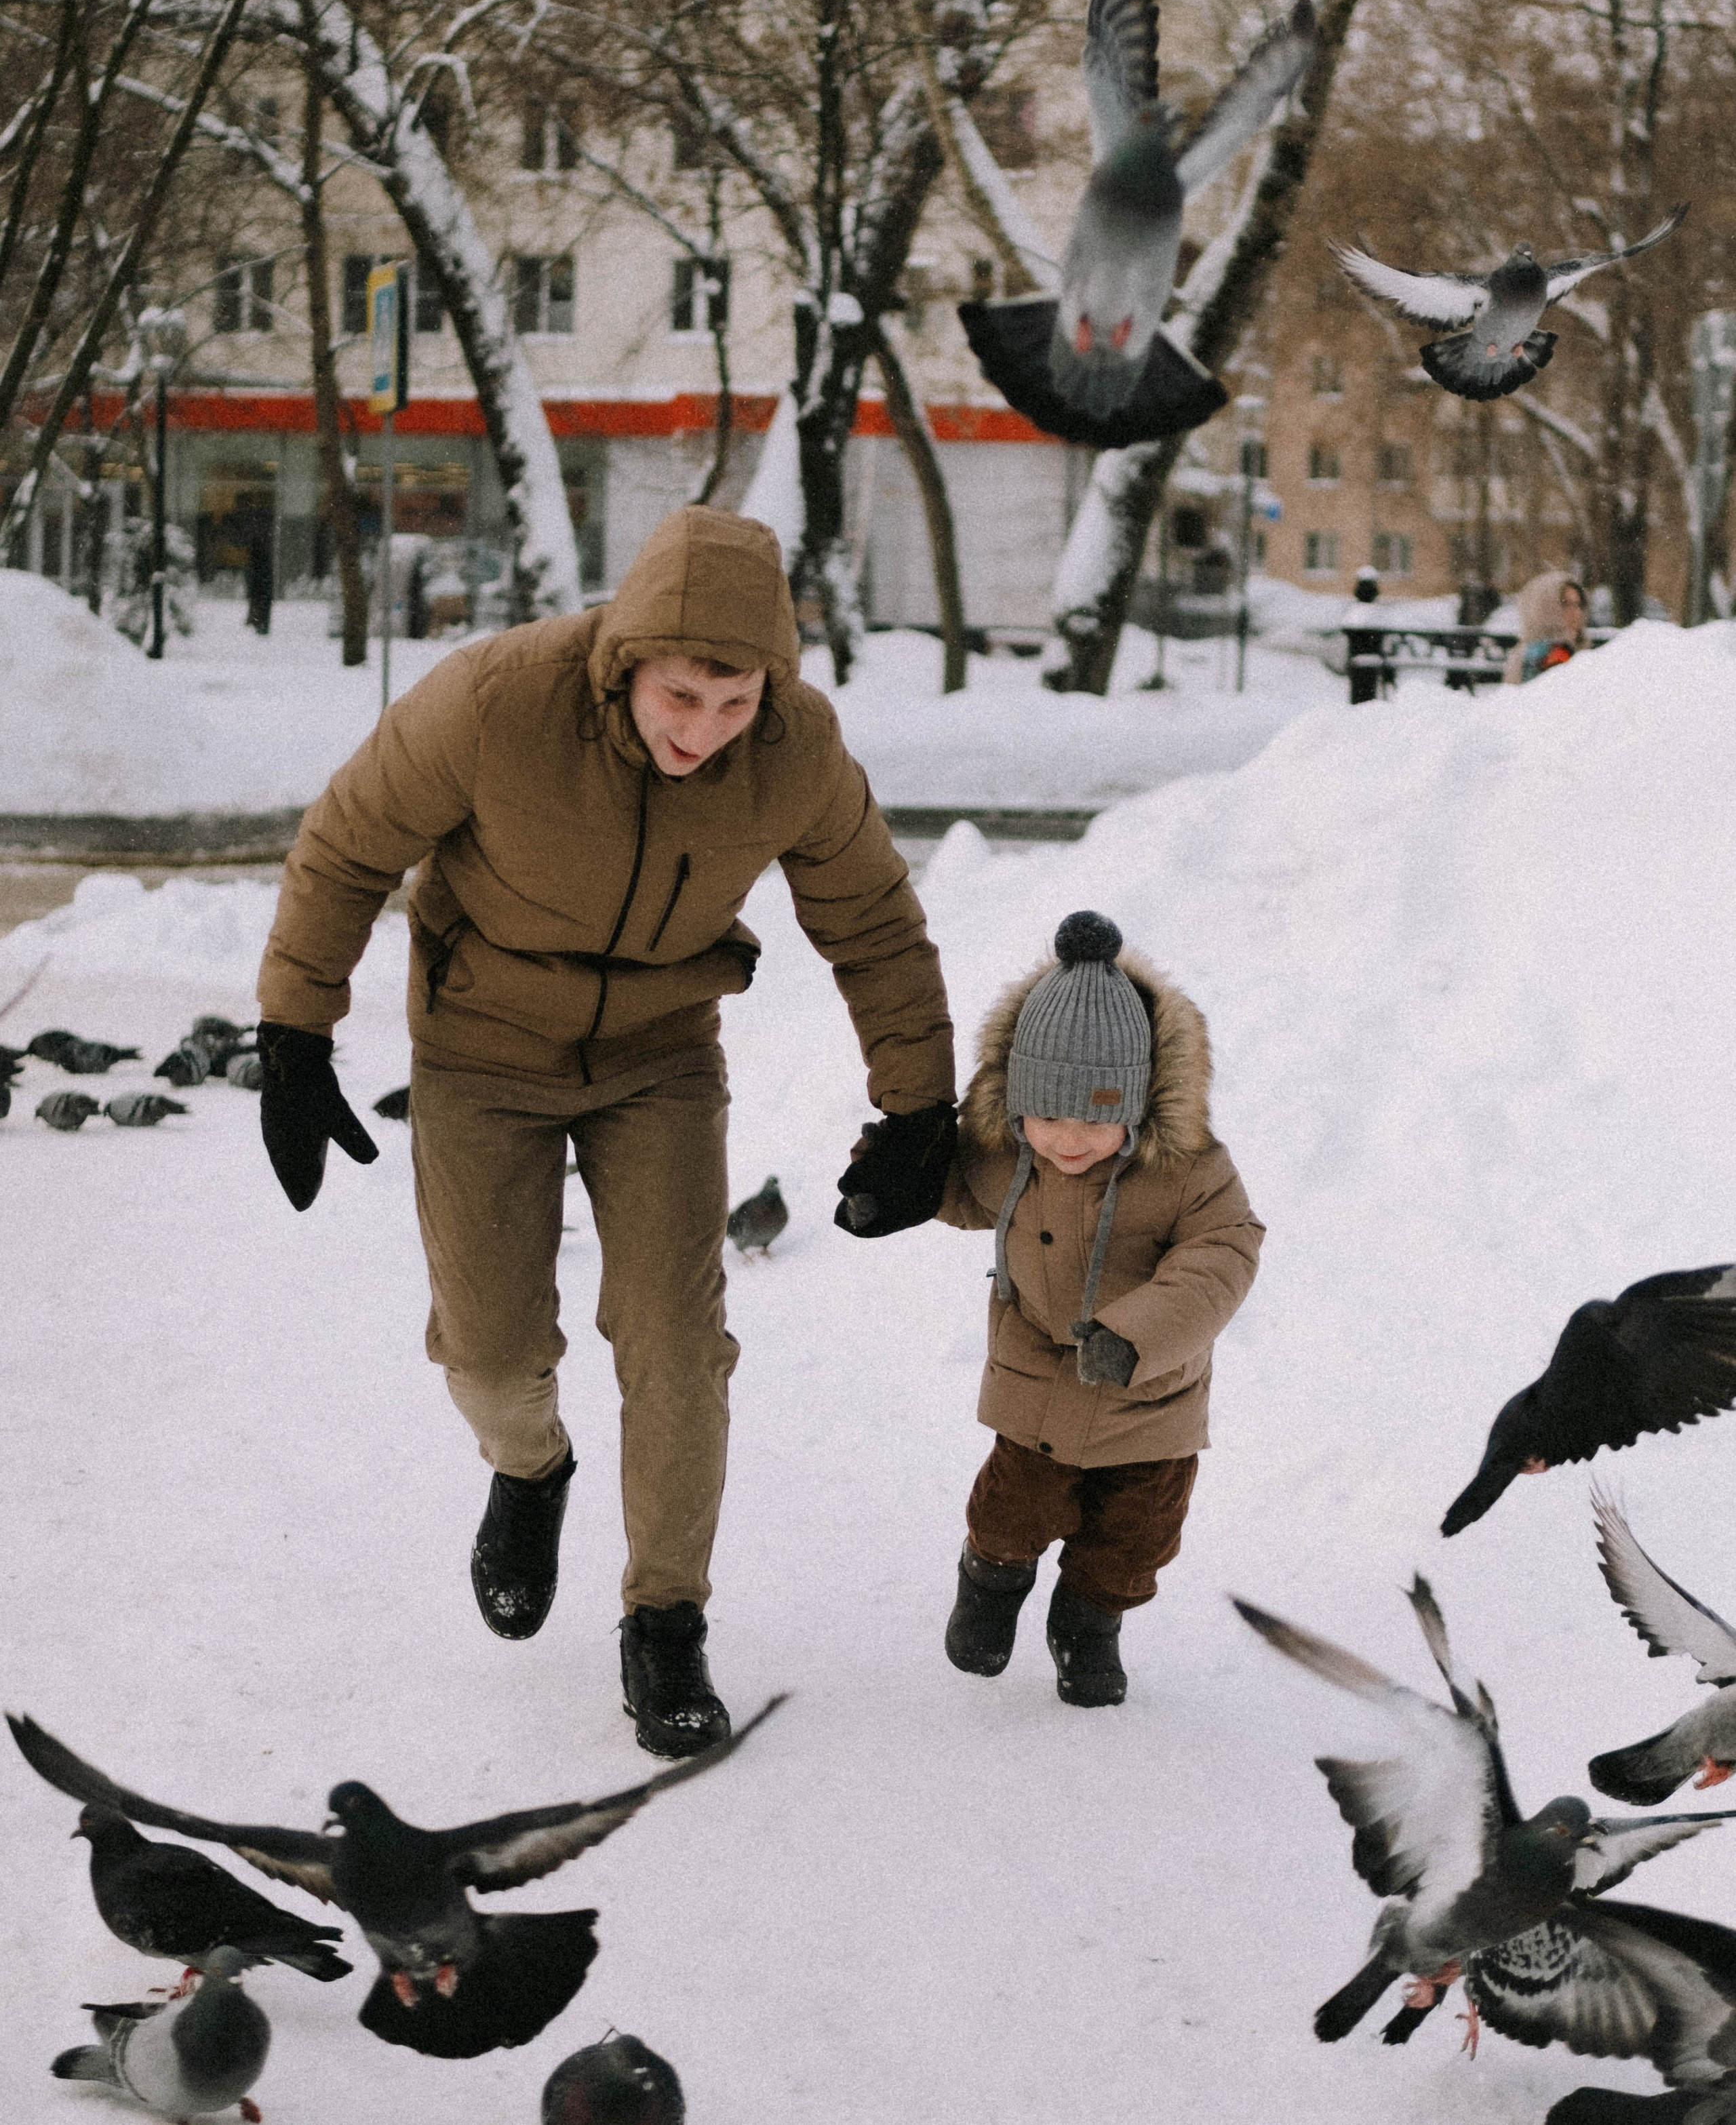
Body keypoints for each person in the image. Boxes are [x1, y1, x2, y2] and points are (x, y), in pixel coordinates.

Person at [252, 507, 957, 1755]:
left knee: (678, 1345)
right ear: (626, 659)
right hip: (482, 1045)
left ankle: (665, 1620)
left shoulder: (794, 748)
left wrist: (918, 1107)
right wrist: (295, 1036)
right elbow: (347, 846)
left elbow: (873, 922)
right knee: (489, 1350)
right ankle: (530, 1470)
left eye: (734, 702)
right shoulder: (496, 701)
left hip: (659, 1057)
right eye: (681, 696)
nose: (704, 731)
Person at [936, 911, 1262, 1709]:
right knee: (1014, 1509)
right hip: (1039, 1378)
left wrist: (1135, 1335)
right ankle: (991, 1579)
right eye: (1047, 1116)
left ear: (1140, 1104)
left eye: (1095, 1117)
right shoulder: (1011, 1154)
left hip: (1149, 1393)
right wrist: (890, 1184)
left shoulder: (1190, 1171)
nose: (1068, 1140)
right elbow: (959, 1191)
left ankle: (1087, 1625)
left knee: (1134, 1538)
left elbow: (1222, 1253)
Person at [1502, 570, 1588, 683]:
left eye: (1578, 604)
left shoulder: (1580, 648)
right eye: (1566, 604)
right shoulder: (1542, 654)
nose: (1576, 612)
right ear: (1544, 607)